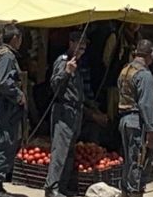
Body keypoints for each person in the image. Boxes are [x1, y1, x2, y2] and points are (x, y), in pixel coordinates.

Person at [46, 30, 89, 197]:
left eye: (84, 49)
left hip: (75, 111)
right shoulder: (63, 61)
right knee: (60, 150)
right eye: (80, 47)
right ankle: (52, 187)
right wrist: (67, 72)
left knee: (70, 151)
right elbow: (55, 85)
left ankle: (62, 186)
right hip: (63, 110)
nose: (81, 51)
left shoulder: (77, 63)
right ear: (71, 43)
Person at [0, 24, 28, 197]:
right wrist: (18, 94)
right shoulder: (7, 56)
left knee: (3, 142)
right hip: (5, 108)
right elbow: (4, 82)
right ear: (15, 38)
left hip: (1, 106)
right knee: (4, 143)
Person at [118, 39, 153, 197]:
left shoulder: (126, 70)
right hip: (138, 122)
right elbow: (147, 105)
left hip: (125, 120)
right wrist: (152, 130)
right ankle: (134, 192)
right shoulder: (144, 75)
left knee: (129, 161)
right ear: (151, 54)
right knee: (139, 161)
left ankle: (125, 191)